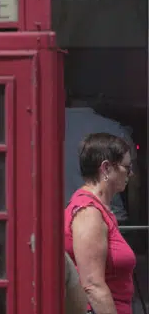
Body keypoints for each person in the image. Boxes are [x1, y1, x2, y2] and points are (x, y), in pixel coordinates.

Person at [65, 132, 136, 314]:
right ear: (106, 169)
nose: (131, 173)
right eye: (126, 167)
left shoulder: (101, 209)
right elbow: (93, 285)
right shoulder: (89, 213)